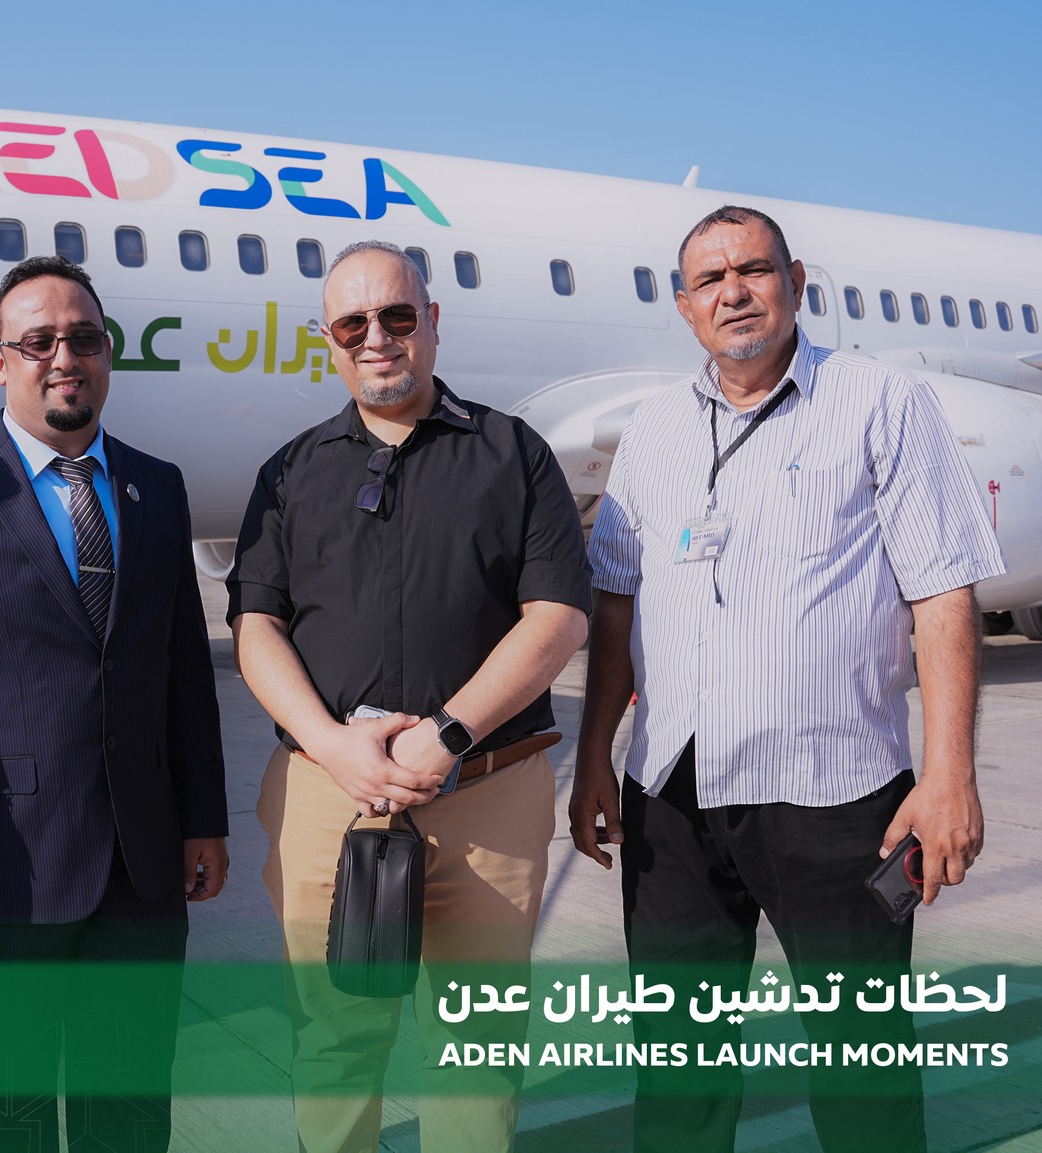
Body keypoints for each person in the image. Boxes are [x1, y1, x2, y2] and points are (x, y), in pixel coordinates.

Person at [569, 206, 1006, 1153]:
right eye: (710, 280)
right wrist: (596, 755)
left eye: (754, 270)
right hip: (671, 793)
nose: (733, 292)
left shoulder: (882, 404)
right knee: (677, 1068)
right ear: (684, 306)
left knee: (860, 1070)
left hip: (837, 797)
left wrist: (950, 775)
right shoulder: (652, 432)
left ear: (796, 282)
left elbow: (943, 593)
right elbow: (616, 604)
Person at [227, 239, 593, 1153]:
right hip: (328, 795)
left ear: (432, 321)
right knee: (333, 1039)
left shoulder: (514, 454)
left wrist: (449, 733)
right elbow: (256, 624)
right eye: (353, 323)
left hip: (485, 795)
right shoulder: (289, 471)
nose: (377, 337)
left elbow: (557, 616)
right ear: (329, 340)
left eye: (396, 316)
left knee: (476, 1050)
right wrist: (331, 744)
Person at [0, 256, 229, 1153]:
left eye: (84, 338)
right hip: (3, 872)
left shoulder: (158, 485)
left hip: (144, 871)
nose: (64, 357)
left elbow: (183, 670)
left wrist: (203, 819)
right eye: (38, 342)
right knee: (8, 1121)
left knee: (132, 1115)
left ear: (108, 353)